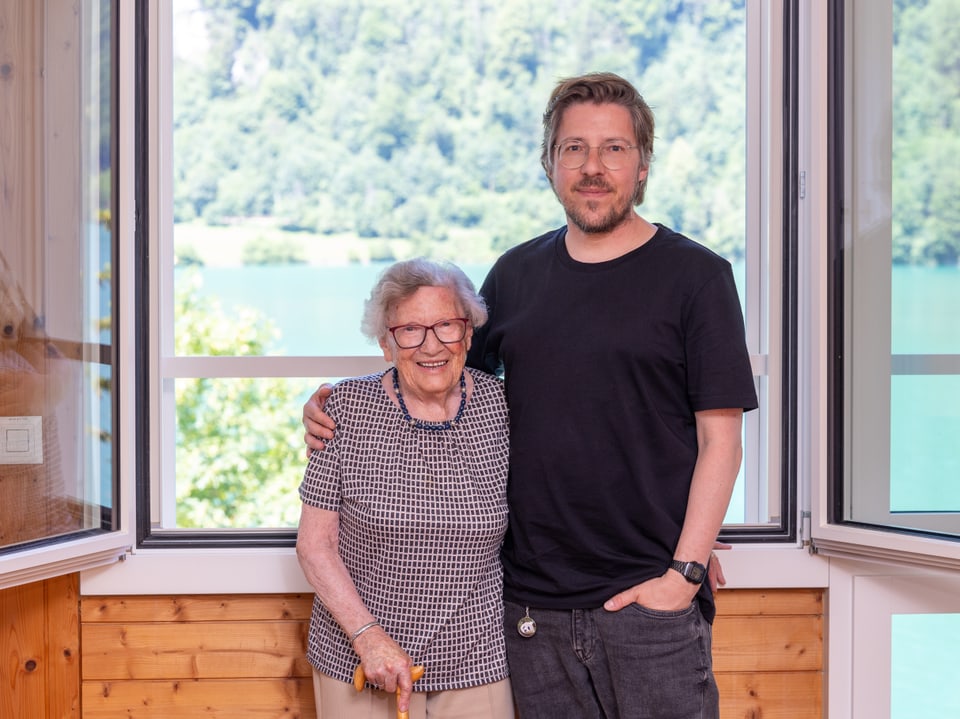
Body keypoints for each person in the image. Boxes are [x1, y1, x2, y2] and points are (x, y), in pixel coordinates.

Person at [304, 72, 758, 719]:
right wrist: (335, 406)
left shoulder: (698, 277)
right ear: (550, 163)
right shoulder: (515, 276)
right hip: (529, 613)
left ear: (644, 164)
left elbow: (722, 439)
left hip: (648, 604)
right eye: (574, 147)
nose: (593, 167)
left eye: (614, 148)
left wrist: (684, 569)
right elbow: (444, 385)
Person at [296, 258, 514, 719]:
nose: (430, 345)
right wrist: (369, 639)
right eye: (410, 330)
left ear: (469, 335)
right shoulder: (347, 408)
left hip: (478, 661)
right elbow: (316, 546)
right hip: (357, 659)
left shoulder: (502, 407)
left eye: (447, 326)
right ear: (385, 343)